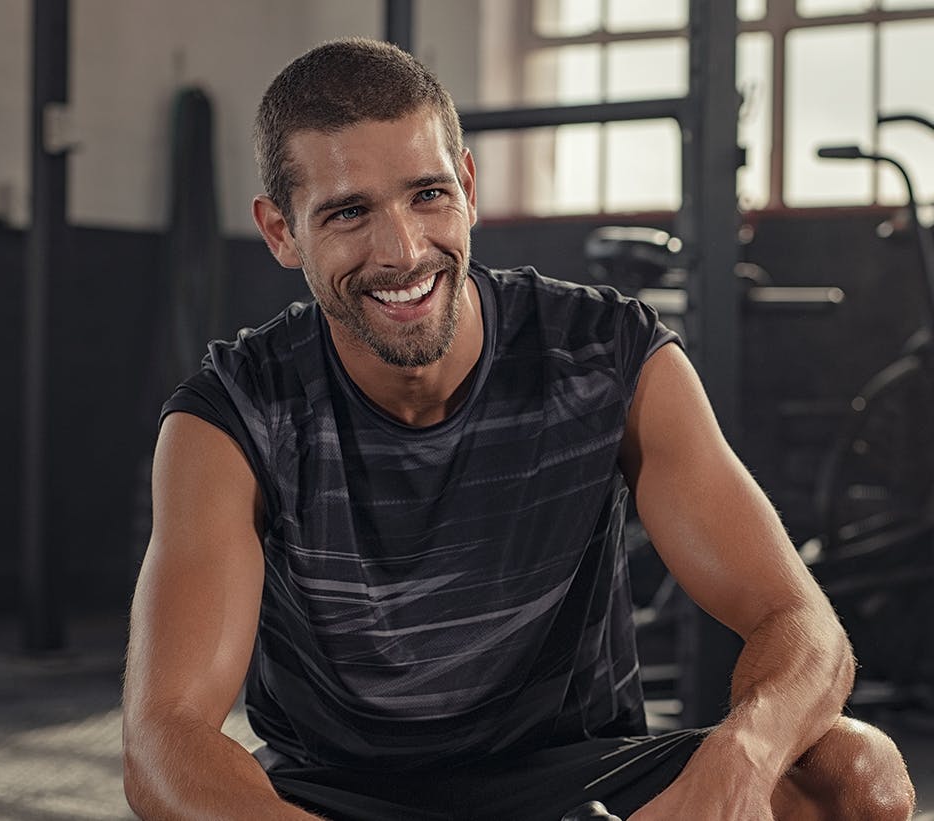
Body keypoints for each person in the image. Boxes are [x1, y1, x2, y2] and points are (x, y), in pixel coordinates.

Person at [122, 37, 916, 821]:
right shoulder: (230, 416)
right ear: (280, 230)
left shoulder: (612, 357)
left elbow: (805, 626)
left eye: (427, 194)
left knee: (856, 776)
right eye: (350, 212)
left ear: (468, 185)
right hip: (338, 796)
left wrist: (742, 753)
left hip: (574, 783)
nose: (403, 250)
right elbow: (165, 737)